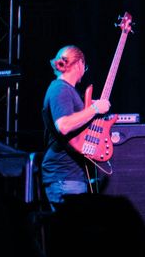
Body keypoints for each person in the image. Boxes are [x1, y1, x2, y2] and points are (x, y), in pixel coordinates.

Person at [41, 45, 110, 207]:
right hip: (64, 177)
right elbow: (63, 125)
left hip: (70, 176)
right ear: (79, 64)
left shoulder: (67, 90)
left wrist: (89, 109)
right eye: (84, 66)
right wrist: (94, 109)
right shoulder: (60, 89)